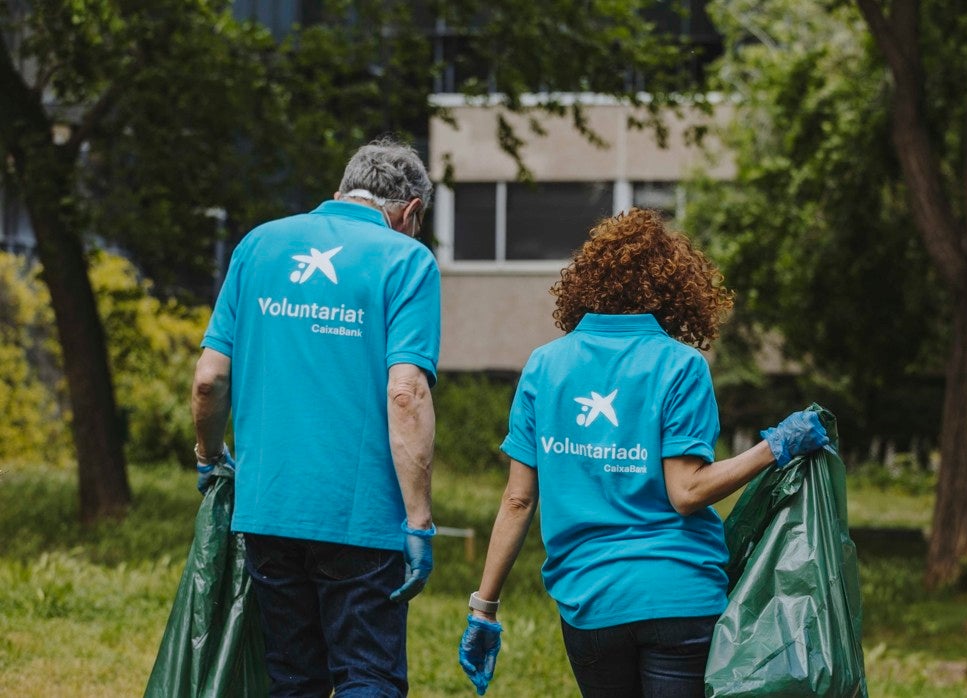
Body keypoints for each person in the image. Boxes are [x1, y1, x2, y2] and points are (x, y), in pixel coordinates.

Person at [457, 208, 829, 697]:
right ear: (675, 292)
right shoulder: (681, 366)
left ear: (589, 281)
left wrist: (484, 608)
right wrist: (774, 447)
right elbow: (687, 491)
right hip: (679, 597)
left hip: (590, 600)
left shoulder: (544, 366)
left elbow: (518, 501)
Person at [191, 137, 441, 697]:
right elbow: (406, 395)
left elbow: (209, 378)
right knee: (365, 675)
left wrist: (209, 459)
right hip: (362, 517)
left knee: (294, 678)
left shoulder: (258, 245)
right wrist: (419, 521)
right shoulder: (406, 259)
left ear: (339, 194)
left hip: (268, 508)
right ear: (411, 212)